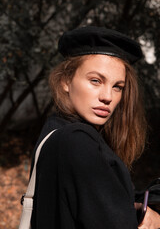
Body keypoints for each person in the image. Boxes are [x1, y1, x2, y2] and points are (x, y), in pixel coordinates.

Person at [30, 26, 160, 228]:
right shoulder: (76, 140)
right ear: (66, 81)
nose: (107, 97)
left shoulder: (56, 131)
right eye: (95, 81)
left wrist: (135, 208)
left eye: (118, 87)